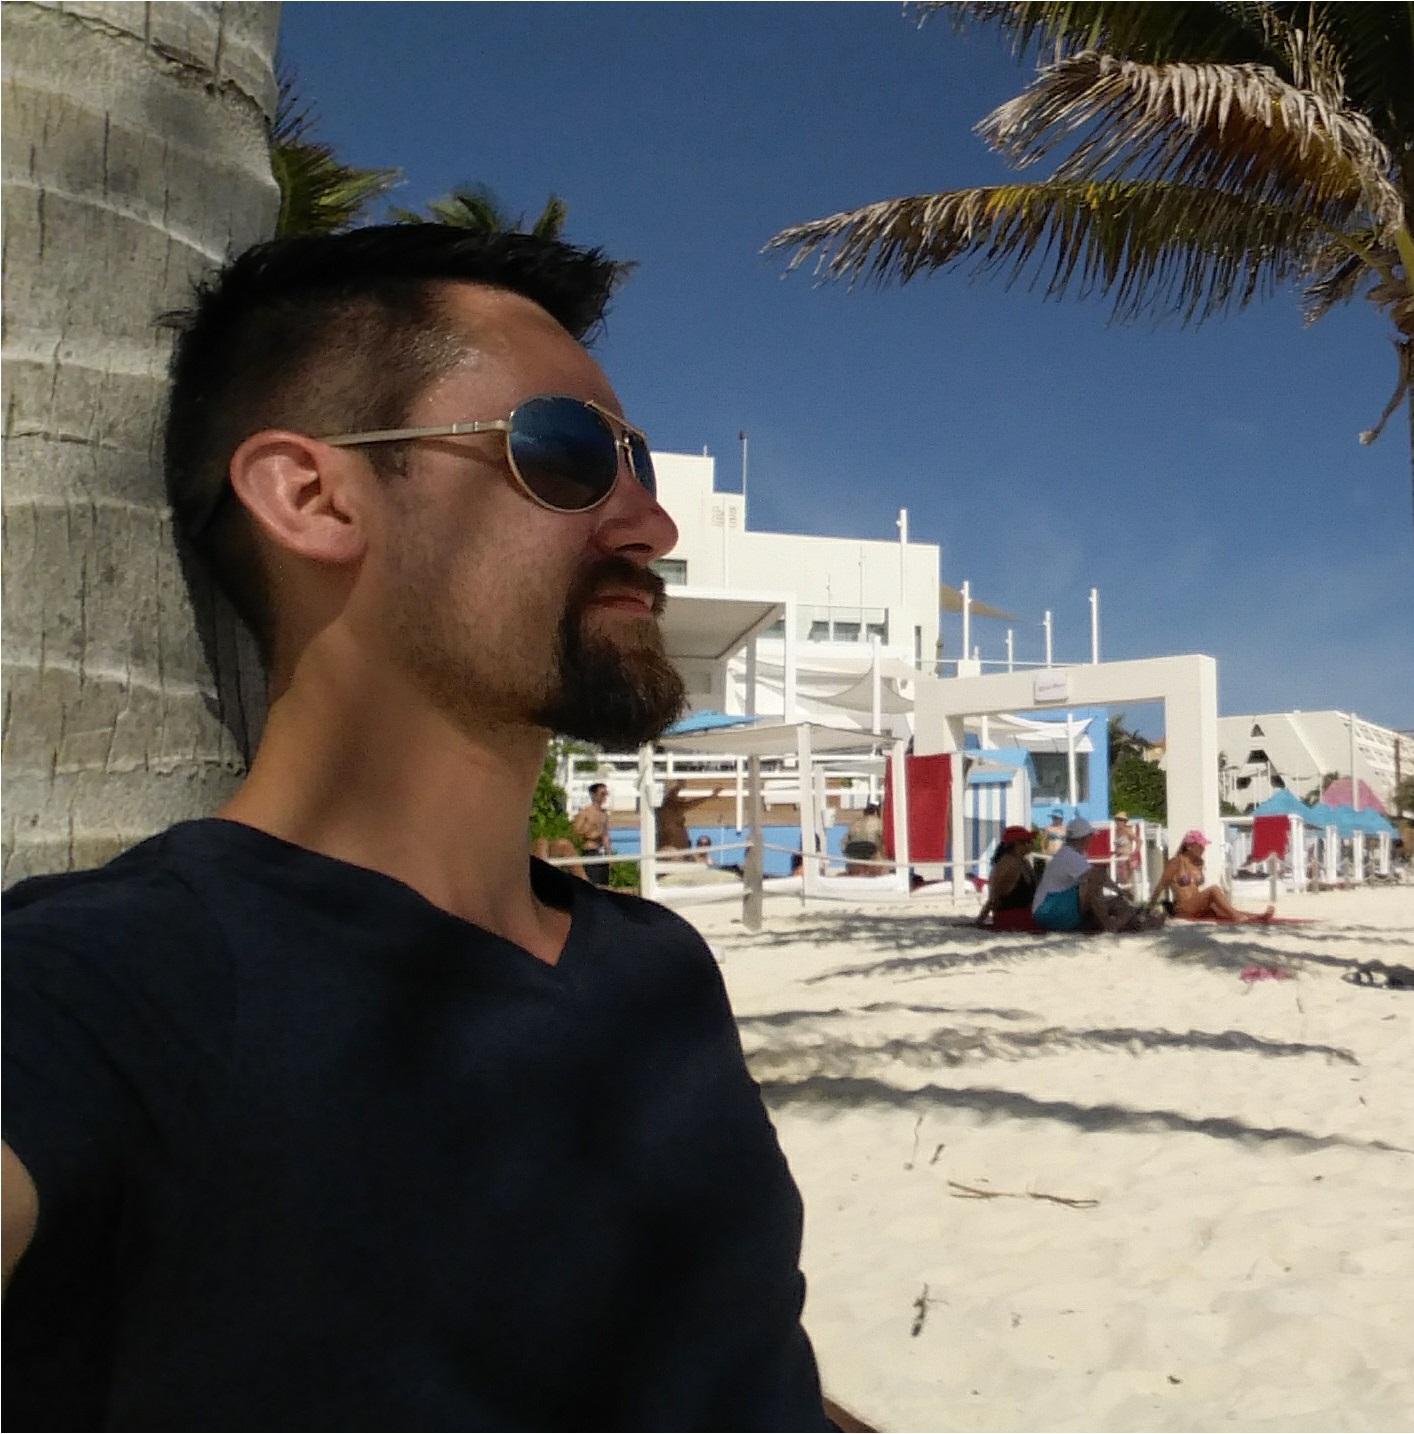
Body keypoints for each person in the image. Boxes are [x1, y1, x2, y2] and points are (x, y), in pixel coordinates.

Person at [1, 227, 836, 1431]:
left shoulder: (659, 967)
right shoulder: (107, 987)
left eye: (638, 463)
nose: (649, 524)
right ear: (311, 496)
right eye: (565, 451)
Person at [1032, 817, 1141, 933]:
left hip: (1047, 910)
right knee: (1095, 885)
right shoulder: (1070, 856)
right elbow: (1098, 877)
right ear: (1084, 838)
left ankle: (1116, 923)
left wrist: (1118, 893)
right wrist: (1120, 892)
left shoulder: (1066, 853)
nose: (1091, 839)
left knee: (1104, 896)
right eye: (1090, 836)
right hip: (1051, 912)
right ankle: (1110, 927)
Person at [1150, 829, 1273, 923]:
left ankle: (1257, 916)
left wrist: (1199, 866)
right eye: (1200, 846)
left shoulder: (1197, 863)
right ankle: (1238, 917)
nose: (1203, 848)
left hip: (1196, 905)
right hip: (1183, 907)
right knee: (1214, 889)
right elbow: (1161, 885)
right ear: (1189, 847)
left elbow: (1194, 888)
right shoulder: (1176, 862)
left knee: (1223, 910)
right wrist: (1149, 907)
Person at [976, 826, 1039, 930]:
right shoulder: (1010, 864)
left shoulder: (1023, 862)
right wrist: (980, 921)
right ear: (1017, 844)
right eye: (1028, 841)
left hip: (1023, 916)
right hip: (1011, 918)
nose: (1031, 844)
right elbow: (995, 897)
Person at [654, 780, 721, 857]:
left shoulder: (665, 809)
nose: (683, 799)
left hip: (676, 850)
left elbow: (683, 802)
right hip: (672, 850)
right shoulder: (670, 807)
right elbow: (690, 804)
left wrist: (679, 787)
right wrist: (709, 797)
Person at [571, 779, 612, 886]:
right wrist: (589, 829)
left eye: (606, 794)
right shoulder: (585, 812)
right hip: (589, 851)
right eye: (602, 794)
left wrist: (609, 855)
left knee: (603, 884)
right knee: (591, 883)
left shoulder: (604, 814)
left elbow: (605, 836)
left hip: (601, 852)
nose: (604, 797)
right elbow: (575, 831)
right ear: (594, 794)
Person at [843, 802, 884, 875]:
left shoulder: (855, 823)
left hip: (853, 850)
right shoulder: (879, 822)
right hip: (870, 849)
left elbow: (844, 842)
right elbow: (883, 840)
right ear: (876, 811)